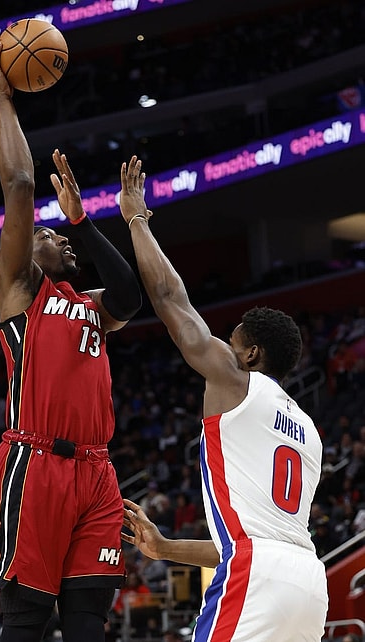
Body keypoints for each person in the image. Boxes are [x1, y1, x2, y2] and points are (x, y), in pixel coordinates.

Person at [118, 156, 328, 641]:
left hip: (256, 576)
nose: (221, 350)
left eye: (230, 341)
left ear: (251, 353)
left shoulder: (238, 379)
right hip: (308, 583)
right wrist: (167, 548)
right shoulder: (310, 432)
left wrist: (136, 218)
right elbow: (252, 538)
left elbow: (171, 299)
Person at [0, 38, 142, 642]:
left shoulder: (89, 306)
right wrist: (4, 99)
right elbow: (22, 185)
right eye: (51, 234)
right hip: (36, 461)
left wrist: (79, 218)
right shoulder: (20, 290)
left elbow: (130, 295)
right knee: (26, 624)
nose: (60, 241)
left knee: (87, 624)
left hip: (98, 473)